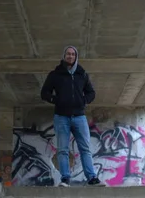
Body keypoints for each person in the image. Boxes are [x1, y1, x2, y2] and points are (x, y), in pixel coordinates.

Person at [40, 46, 105, 187]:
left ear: (76, 57)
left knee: (85, 149)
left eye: (73, 54)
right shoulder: (55, 74)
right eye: (68, 54)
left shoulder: (82, 74)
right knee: (63, 149)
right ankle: (65, 179)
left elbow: (91, 93)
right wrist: (56, 100)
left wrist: (83, 101)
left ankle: (92, 178)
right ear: (64, 56)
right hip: (61, 117)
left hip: (79, 117)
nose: (70, 56)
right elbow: (44, 93)